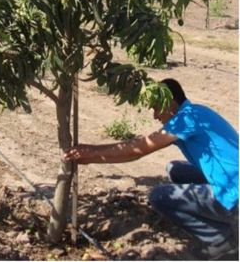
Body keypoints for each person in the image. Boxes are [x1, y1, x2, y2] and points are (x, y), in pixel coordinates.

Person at [64, 78, 239, 260]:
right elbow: (136, 152)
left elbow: (138, 149)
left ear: (169, 102)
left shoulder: (186, 119)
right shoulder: (197, 112)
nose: (155, 116)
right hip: (232, 176)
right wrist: (92, 158)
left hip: (235, 193)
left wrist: (92, 152)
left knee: (159, 196)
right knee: (175, 169)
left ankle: (222, 240)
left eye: (156, 108)